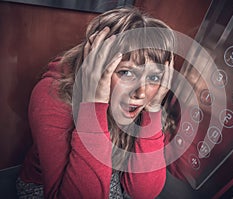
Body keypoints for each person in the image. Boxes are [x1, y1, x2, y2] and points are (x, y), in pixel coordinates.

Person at [17, 7, 175, 199]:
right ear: (96, 66)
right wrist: (93, 105)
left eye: (153, 76)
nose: (141, 93)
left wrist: (153, 109)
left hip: (105, 174)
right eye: (126, 72)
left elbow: (143, 193)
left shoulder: (147, 97)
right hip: (45, 188)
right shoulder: (52, 93)